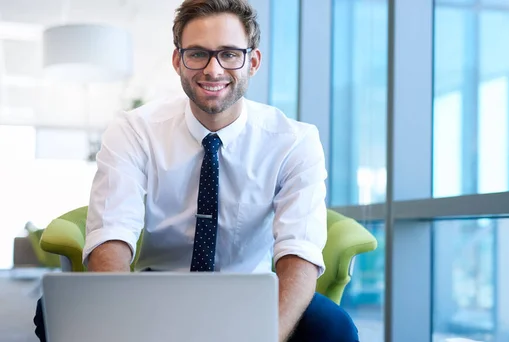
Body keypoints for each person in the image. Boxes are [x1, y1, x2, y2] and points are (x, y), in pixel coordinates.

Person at [33, 0, 359, 341]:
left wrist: (269, 335)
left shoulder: (294, 141)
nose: (213, 70)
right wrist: (122, 318)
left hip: (250, 289)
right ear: (178, 61)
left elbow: (299, 250)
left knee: (334, 327)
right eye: (197, 54)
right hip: (158, 286)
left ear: (253, 61)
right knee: (50, 310)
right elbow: (111, 235)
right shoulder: (134, 130)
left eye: (230, 54)